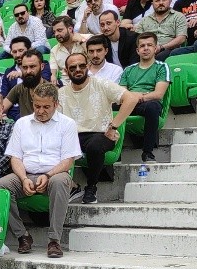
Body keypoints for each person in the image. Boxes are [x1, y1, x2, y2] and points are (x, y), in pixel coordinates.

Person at [0, 83, 82, 258]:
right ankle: (22, 235)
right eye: (37, 106)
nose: (40, 111)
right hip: (26, 174)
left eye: (46, 107)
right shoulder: (21, 123)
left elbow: (68, 160)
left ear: (56, 104)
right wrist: (23, 178)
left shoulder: (67, 124)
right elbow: (15, 157)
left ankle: (54, 240)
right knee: (0, 186)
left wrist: (48, 175)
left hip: (55, 173)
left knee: (60, 181)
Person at [58, 52, 139, 205]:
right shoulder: (61, 94)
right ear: (66, 71)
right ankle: (72, 187)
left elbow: (132, 98)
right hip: (73, 137)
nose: (78, 69)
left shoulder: (101, 84)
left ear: (88, 66)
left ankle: (91, 188)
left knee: (95, 145)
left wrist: (114, 126)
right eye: (73, 67)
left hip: (101, 134)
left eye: (82, 65)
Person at [118, 32, 171, 163]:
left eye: (149, 45)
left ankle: (148, 152)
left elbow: (158, 94)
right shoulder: (128, 70)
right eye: (142, 46)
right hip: (129, 103)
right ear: (137, 50)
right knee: (107, 105)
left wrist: (137, 97)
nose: (146, 48)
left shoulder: (162, 67)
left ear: (155, 48)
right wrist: (131, 98)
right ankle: (113, 151)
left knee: (153, 107)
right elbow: (121, 94)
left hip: (147, 103)